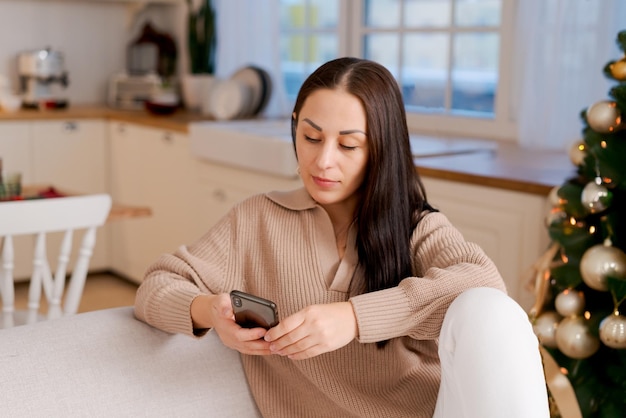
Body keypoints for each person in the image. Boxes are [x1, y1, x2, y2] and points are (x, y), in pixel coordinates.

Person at [135, 57, 549, 417]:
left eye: (348, 145)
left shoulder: (414, 225)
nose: (323, 160)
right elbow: (156, 286)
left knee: (490, 310)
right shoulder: (256, 219)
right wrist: (210, 312)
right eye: (311, 137)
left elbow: (486, 287)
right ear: (295, 127)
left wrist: (354, 318)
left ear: (380, 150)